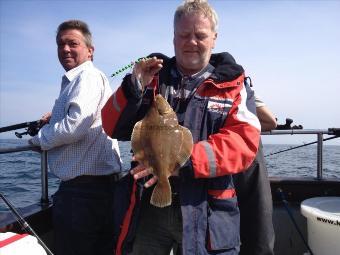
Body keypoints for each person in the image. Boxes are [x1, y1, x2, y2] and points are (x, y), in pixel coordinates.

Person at [102, 0, 261, 254]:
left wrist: (182, 161)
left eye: (200, 35)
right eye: (184, 35)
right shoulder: (152, 77)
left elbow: (243, 143)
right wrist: (132, 89)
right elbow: (111, 126)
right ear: (174, 37)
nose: (192, 42)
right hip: (148, 211)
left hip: (207, 210)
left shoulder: (233, 85)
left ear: (214, 38)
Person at [29, 20, 123, 255]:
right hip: (93, 192)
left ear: (90, 51)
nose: (66, 49)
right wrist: (54, 117)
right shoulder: (78, 81)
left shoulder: (87, 77)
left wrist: (39, 140)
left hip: (84, 195)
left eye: (73, 43)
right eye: (61, 44)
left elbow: (74, 126)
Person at [233, 89, 277, 255]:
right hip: (247, 165)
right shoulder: (241, 83)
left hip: (239, 166)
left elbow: (270, 122)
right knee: (258, 227)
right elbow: (270, 122)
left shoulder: (240, 86)